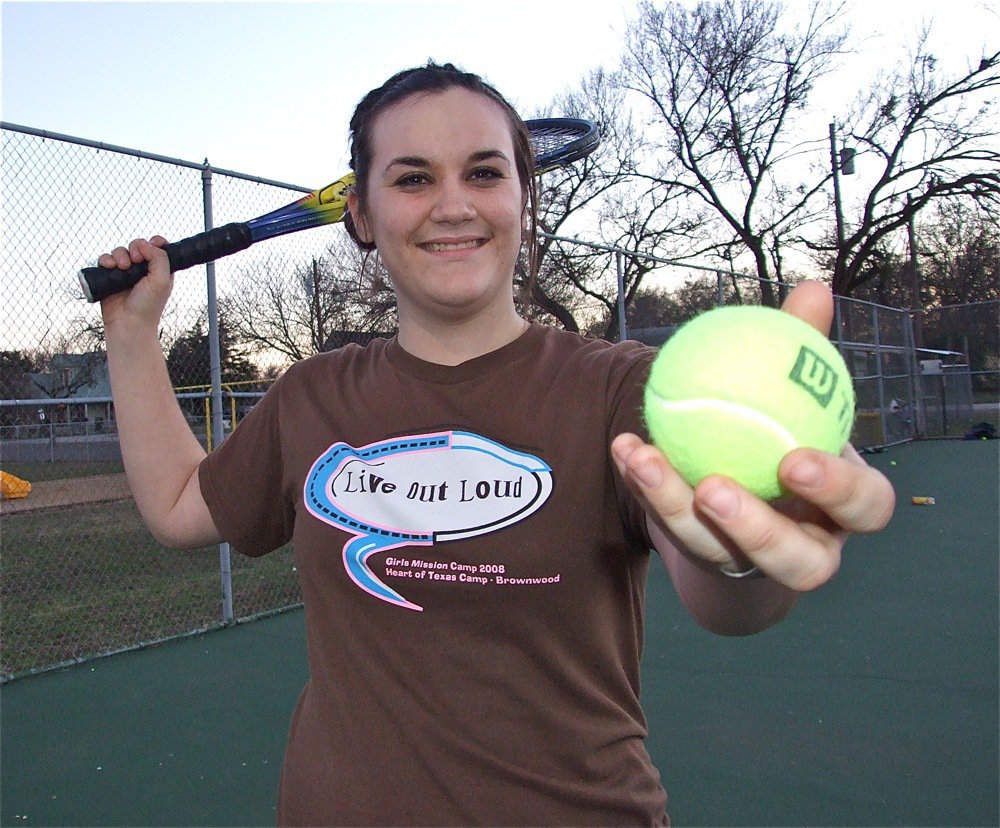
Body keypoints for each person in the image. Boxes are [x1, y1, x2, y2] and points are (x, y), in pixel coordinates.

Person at [96, 62, 895, 826]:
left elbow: (720, 588)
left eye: (484, 173)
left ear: (523, 198)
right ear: (363, 218)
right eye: (413, 178)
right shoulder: (313, 395)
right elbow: (177, 507)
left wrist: (745, 546)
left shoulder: (621, 389)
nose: (453, 205)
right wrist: (133, 337)